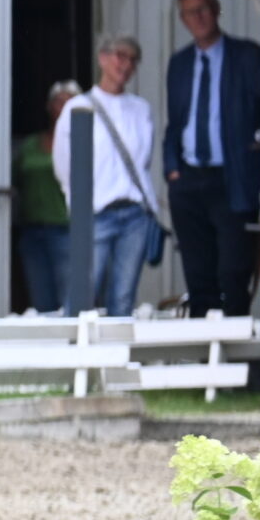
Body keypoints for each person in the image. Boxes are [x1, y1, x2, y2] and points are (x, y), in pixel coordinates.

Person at [162, 0, 260, 318]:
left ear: (217, 9)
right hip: (189, 178)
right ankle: (202, 359)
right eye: (191, 12)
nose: (200, 17)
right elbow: (175, 122)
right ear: (182, 19)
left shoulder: (248, 55)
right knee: (197, 270)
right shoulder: (179, 64)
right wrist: (172, 169)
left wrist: (258, 149)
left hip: (231, 176)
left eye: (204, 8)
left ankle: (237, 359)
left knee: (234, 270)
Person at [56, 36, 160, 318]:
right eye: (119, 56)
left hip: (135, 214)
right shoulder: (78, 106)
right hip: (96, 211)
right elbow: (64, 164)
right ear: (102, 58)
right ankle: (76, 357)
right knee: (82, 294)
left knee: (123, 296)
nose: (125, 64)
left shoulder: (141, 109)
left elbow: (143, 160)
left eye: (132, 59)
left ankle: (116, 357)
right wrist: (77, 208)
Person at [14, 82, 78, 314]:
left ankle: (72, 349)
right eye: (58, 101)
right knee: (41, 299)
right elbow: (15, 180)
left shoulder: (80, 143)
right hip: (32, 230)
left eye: (69, 100)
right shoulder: (31, 145)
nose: (63, 106)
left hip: (64, 228)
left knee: (68, 296)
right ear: (49, 106)